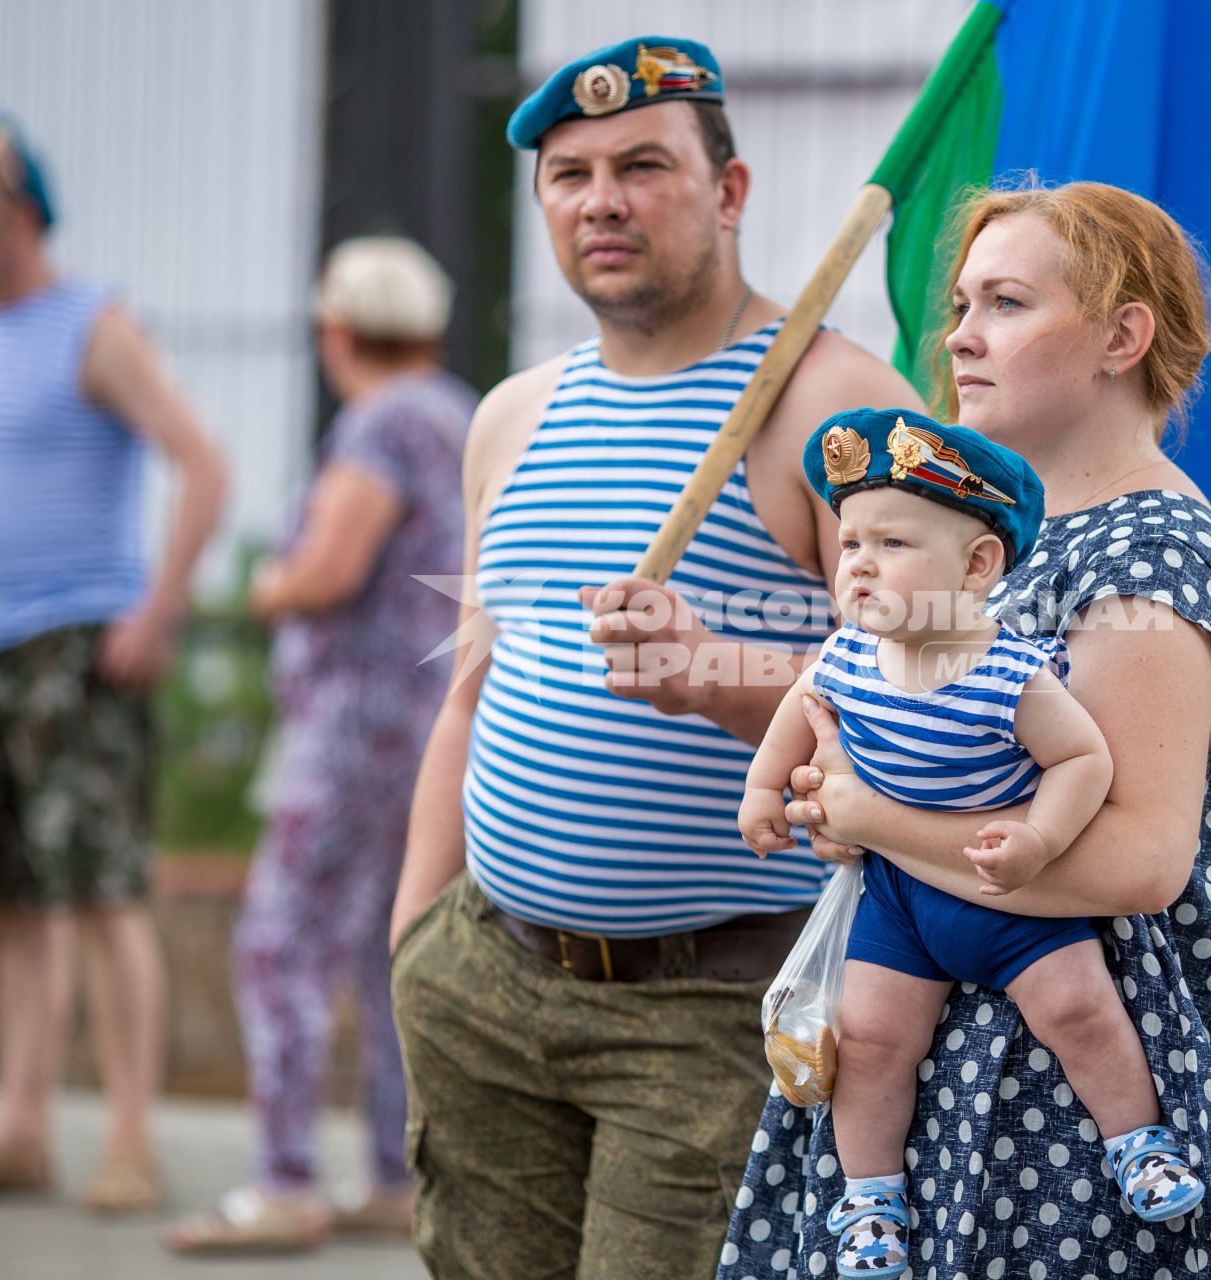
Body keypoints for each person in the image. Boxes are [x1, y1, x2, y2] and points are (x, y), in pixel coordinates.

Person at [385, 36, 920, 1278]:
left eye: (642, 164)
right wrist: (415, 942)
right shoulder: (512, 414)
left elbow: (939, 692)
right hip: (482, 982)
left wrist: (711, 675)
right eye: (569, 175)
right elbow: (469, 695)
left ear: (729, 194)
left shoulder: (833, 406)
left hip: (708, 1009)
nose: (602, 200)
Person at [721, 182, 1211, 1278]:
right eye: (964, 305)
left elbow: (1136, 860)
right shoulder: (988, 536)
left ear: (1124, 336)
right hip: (934, 1067)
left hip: (1064, 1119)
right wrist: (844, 795)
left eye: (1008, 303)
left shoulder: (1146, 560)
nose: (962, 337)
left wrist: (871, 814)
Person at [740, 410, 1201, 1272]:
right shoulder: (846, 654)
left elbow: (1082, 758)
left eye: (894, 545)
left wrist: (1039, 839)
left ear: (978, 564)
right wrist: (765, 791)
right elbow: (795, 720)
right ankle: (869, 1200)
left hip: (1009, 892)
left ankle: (1137, 1139)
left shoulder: (1008, 670)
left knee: (1080, 1009)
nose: (862, 565)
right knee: (870, 1038)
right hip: (901, 901)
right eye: (851, 545)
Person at [0, 109, 229, 1212]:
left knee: (100, 894)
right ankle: (20, 1129)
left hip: (74, 651)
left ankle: (130, 1136)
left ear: (15, 212)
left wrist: (160, 608)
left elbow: (203, 463)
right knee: (9, 903)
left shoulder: (96, 325)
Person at [165, 238, 474, 1253]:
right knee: (380, 946)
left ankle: (284, 1179)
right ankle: (393, 1171)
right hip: (428, 727)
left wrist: (268, 583)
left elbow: (331, 568)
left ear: (335, 332)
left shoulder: (380, 422)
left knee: (280, 939)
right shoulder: (457, 412)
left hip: (351, 727)